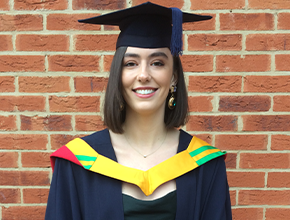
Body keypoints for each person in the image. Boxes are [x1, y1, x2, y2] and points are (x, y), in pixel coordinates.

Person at [45, 2, 232, 220]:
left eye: (157, 63)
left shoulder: (206, 166)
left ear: (174, 77)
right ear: (118, 74)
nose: (143, 74)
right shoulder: (77, 164)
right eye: (131, 63)